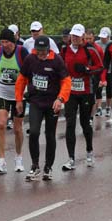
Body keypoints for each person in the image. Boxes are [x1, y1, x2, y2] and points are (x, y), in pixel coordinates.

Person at [14, 36, 70, 181]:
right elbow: (21, 80)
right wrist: (19, 99)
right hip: (35, 102)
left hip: (52, 103)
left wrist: (60, 99)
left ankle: (48, 167)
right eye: (38, 51)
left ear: (48, 49)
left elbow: (66, 81)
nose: (41, 54)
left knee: (50, 134)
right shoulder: (30, 59)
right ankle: (35, 166)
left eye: (43, 51)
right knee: (33, 132)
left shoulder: (56, 60)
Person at [60, 25, 103, 171]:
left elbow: (100, 66)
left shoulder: (89, 50)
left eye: (78, 36)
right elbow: (60, 67)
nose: (75, 38)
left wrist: (86, 69)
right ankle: (71, 158)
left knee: (85, 124)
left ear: (83, 36)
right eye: (73, 35)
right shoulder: (65, 50)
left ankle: (89, 151)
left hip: (86, 91)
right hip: (70, 92)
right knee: (70, 124)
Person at [0, 29, 29, 174]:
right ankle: (1, 160)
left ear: (13, 42)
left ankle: (18, 158)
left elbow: (28, 71)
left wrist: (29, 90)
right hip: (3, 91)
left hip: (19, 94)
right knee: (1, 124)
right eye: (2, 42)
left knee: (17, 128)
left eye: (7, 42)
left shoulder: (22, 52)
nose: (4, 45)